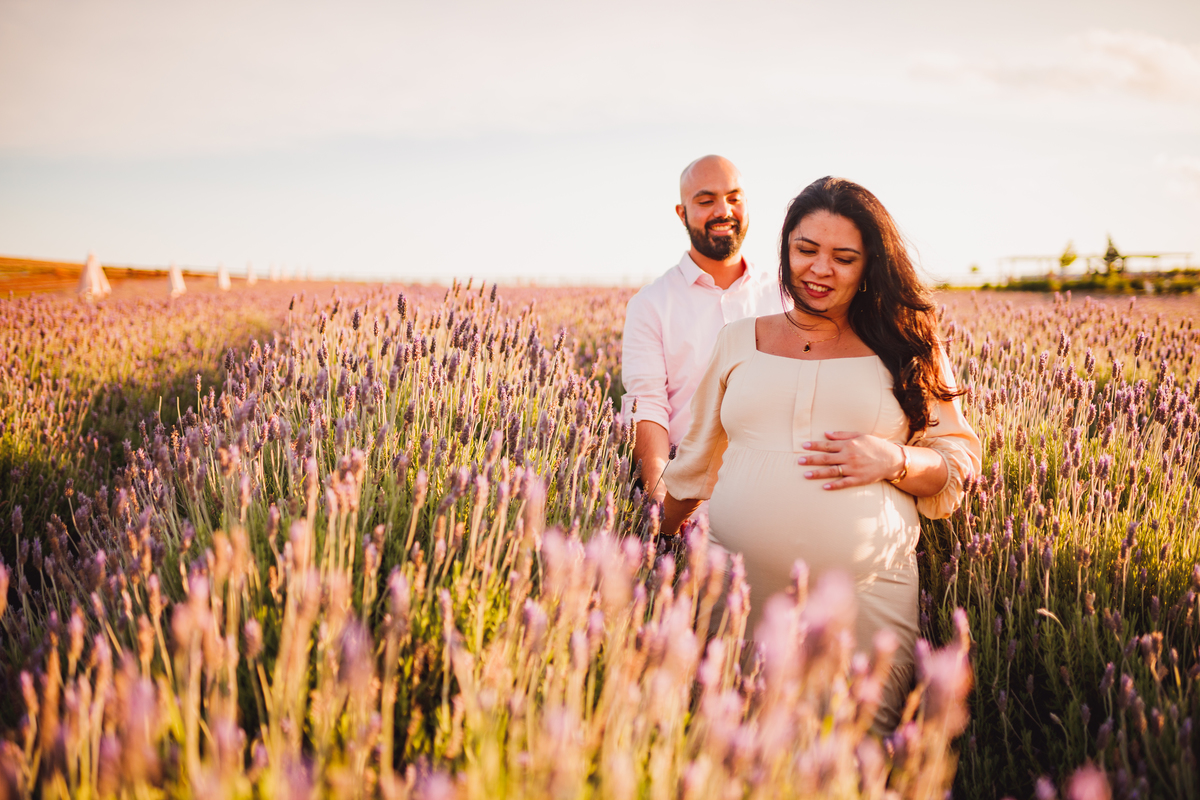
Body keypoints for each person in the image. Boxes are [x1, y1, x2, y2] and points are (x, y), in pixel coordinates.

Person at [660, 176, 981, 731]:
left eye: (843, 257)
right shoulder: (740, 339)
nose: (819, 269)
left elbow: (957, 459)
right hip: (735, 590)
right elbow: (696, 460)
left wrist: (895, 460)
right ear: (785, 248)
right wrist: (655, 547)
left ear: (870, 265)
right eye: (805, 250)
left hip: (863, 600)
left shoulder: (908, 341)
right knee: (731, 751)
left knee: (856, 755)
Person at [621, 155, 785, 501]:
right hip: (692, 505)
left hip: (779, 494)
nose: (723, 210)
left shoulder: (786, 294)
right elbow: (647, 408)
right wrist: (662, 503)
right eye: (706, 200)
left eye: (734, 198)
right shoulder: (651, 304)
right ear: (682, 213)